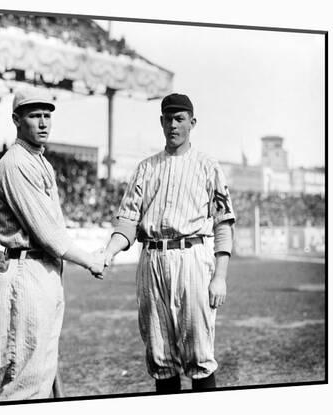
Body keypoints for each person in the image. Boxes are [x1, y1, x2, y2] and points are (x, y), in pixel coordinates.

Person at [101, 93, 235, 393]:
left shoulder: (208, 166)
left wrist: (220, 277)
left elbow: (223, 224)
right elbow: (127, 222)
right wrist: (109, 251)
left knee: (199, 353)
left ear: (192, 122)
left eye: (180, 119)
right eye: (168, 119)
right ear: (161, 121)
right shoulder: (146, 168)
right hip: (151, 261)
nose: (173, 125)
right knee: (160, 357)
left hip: (192, 257)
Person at [0, 88, 106, 401]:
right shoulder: (15, 164)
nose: (42, 122)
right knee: (22, 383)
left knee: (42, 374)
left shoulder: (40, 161)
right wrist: (90, 260)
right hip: (25, 268)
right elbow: (47, 233)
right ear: (16, 120)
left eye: (46, 115)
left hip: (43, 270)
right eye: (33, 115)